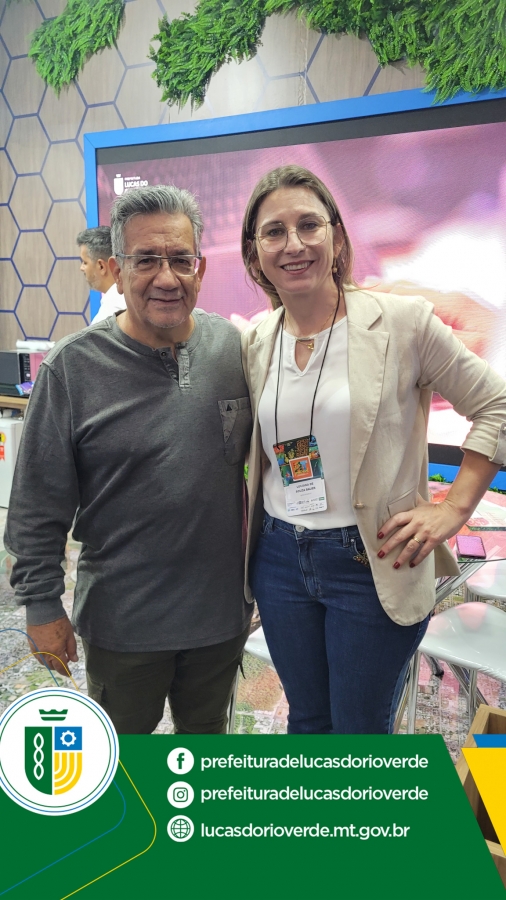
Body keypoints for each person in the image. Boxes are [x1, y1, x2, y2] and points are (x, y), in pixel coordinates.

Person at [240, 164, 506, 735]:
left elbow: (497, 405)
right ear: (255, 252)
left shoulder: (402, 323)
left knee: (360, 732)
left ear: (337, 237)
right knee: (308, 721)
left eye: (309, 225)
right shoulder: (258, 339)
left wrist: (454, 509)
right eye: (274, 231)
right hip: (280, 559)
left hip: (372, 559)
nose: (293, 244)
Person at [5, 185, 252, 734]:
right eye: (146, 260)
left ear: (201, 268)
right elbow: (36, 506)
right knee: (126, 766)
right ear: (116, 271)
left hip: (219, 619)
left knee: (206, 755)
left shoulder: (233, 350)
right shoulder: (73, 369)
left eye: (181, 259)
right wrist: (42, 606)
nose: (166, 277)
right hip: (125, 624)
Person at [77, 226, 126, 323]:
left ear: (101, 266)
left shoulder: (108, 315)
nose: (81, 268)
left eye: (85, 262)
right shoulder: (130, 301)